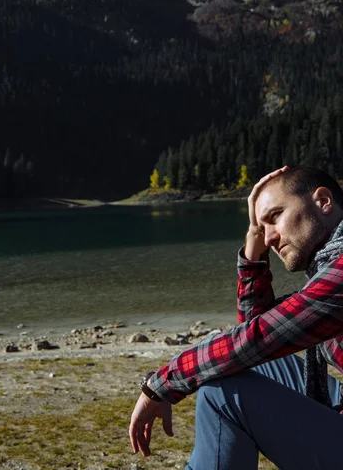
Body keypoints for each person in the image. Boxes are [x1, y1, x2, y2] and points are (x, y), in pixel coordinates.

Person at [129, 166, 343, 470]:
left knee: (222, 393)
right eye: (261, 228)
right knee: (225, 368)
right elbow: (257, 335)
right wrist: (253, 244)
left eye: (274, 217)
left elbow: (255, 339)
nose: (268, 238)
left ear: (323, 201)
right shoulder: (329, 268)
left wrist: (160, 385)